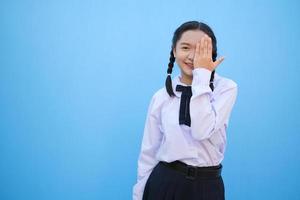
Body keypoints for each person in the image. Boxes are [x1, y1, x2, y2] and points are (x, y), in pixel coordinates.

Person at [133, 21, 238, 200]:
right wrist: (138, 195)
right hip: (164, 182)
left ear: (211, 54)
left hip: (207, 186)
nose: (191, 56)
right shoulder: (161, 96)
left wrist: (202, 76)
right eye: (185, 47)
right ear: (174, 50)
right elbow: (149, 153)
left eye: (200, 50)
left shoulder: (226, 89)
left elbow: (201, 130)